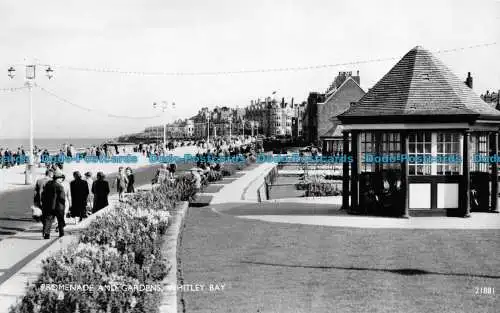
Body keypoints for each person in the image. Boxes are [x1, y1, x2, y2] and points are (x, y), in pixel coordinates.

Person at [41, 169, 66, 239]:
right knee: (60, 220)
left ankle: (46, 234)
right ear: (58, 179)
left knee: (48, 220)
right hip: (58, 206)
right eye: (61, 178)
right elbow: (62, 198)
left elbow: (43, 195)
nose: (62, 180)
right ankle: (61, 233)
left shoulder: (48, 184)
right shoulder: (60, 187)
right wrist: (64, 206)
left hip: (49, 206)